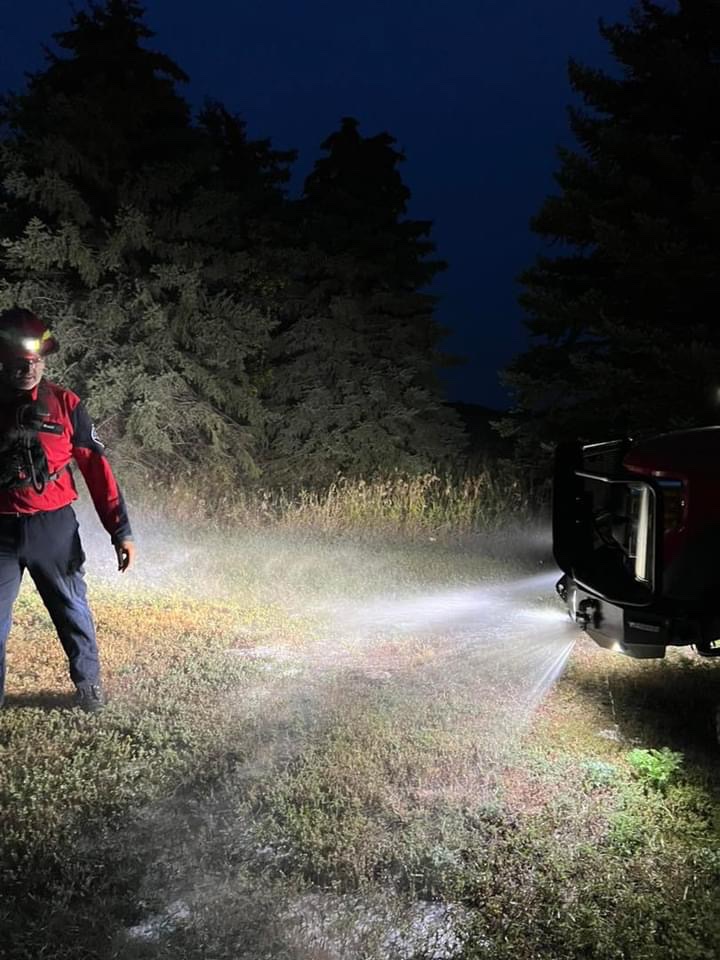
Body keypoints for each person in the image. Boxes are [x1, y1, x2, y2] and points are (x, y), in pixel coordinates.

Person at [0, 307, 135, 712]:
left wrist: (120, 530)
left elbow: (97, 469)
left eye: (36, 361)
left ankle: (88, 687)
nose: (29, 369)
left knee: (72, 610)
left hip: (53, 529)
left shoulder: (65, 403)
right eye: (19, 362)